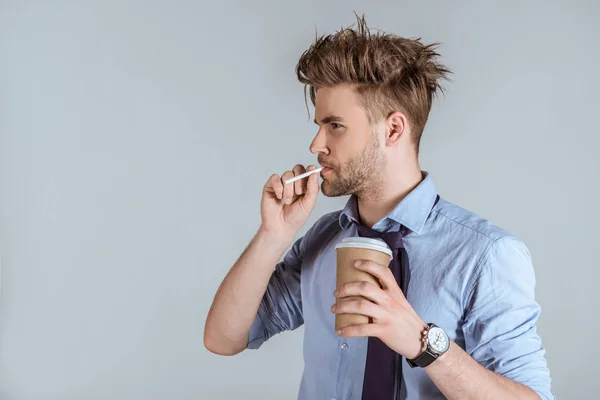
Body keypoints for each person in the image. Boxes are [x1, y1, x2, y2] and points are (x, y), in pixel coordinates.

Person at [204, 15, 553, 400]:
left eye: (335, 125)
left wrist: (422, 343)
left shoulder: (487, 255)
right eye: (319, 125)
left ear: (393, 130)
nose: (315, 144)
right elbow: (223, 338)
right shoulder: (323, 238)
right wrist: (274, 235)